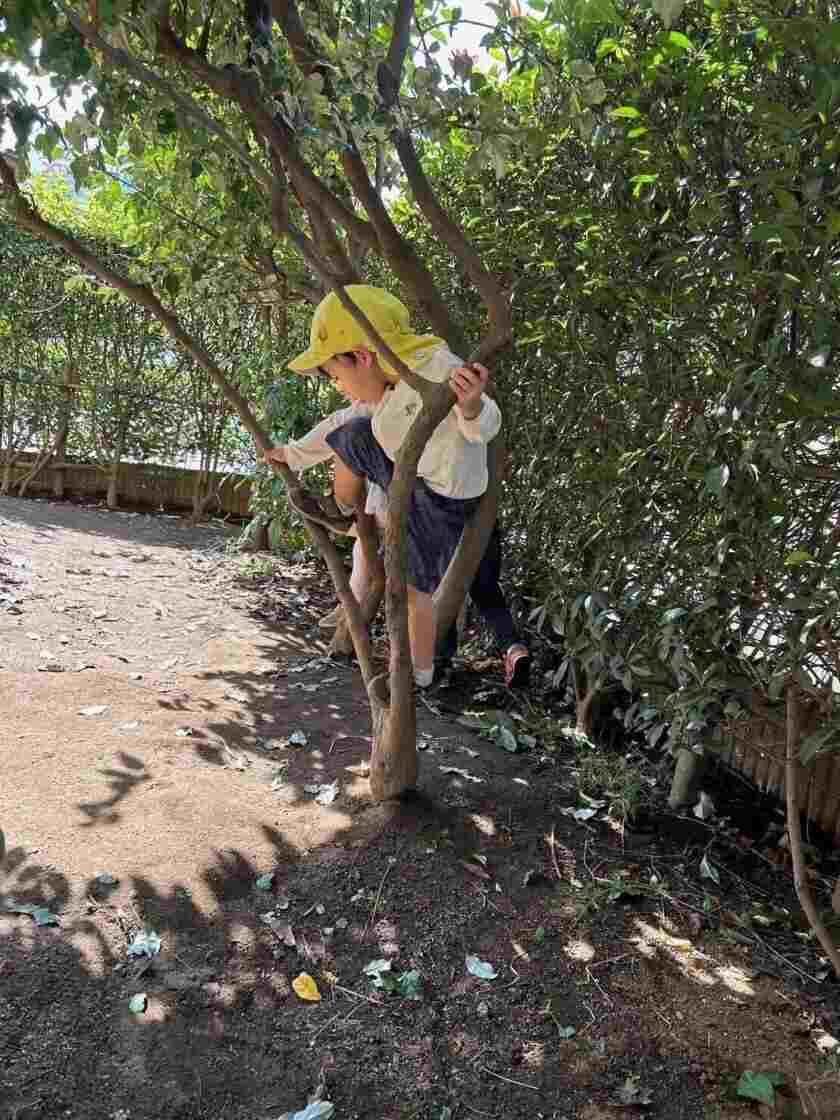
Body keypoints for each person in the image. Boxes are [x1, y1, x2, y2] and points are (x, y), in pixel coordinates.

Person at [268, 284, 500, 690]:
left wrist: (471, 406)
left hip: (443, 497)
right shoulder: (384, 388)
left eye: (337, 376)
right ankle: (343, 513)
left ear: (361, 356)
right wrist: (293, 454)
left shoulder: (437, 368)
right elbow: (337, 424)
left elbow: (483, 425)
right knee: (352, 431)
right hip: (408, 478)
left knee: (412, 589)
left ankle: (419, 674)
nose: (338, 386)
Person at [266, 403, 531, 688]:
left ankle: (436, 663)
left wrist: (293, 454)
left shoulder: (403, 404)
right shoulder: (472, 433)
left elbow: (345, 421)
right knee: (485, 592)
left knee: (434, 587)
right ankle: (513, 647)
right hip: (481, 520)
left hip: (447, 518)